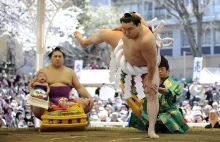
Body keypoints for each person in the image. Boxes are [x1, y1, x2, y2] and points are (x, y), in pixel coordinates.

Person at [74, 12, 161, 138]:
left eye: (130, 29)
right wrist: (121, 28)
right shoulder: (128, 28)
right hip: (125, 52)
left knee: (152, 94)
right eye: (124, 29)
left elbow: (152, 64)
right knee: (104, 33)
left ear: (139, 25)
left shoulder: (147, 40)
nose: (126, 32)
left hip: (146, 68)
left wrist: (150, 80)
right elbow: (134, 15)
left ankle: (151, 129)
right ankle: (85, 42)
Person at [129, 55, 190, 133]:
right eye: (158, 69)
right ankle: (153, 127)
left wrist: (167, 92)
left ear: (168, 70)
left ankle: (159, 127)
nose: (160, 71)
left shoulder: (176, 84)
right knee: (137, 113)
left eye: (162, 69)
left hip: (168, 111)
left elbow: (176, 98)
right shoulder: (152, 82)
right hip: (153, 111)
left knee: (167, 116)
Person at [29, 47, 94, 120]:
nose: (57, 58)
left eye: (60, 56)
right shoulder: (43, 71)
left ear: (63, 59)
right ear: (51, 58)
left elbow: (79, 87)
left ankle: (67, 116)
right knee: (38, 105)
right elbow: (32, 85)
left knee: (87, 103)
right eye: (55, 56)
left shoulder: (70, 72)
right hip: (48, 103)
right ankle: (54, 116)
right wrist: (34, 91)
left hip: (67, 102)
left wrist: (89, 96)